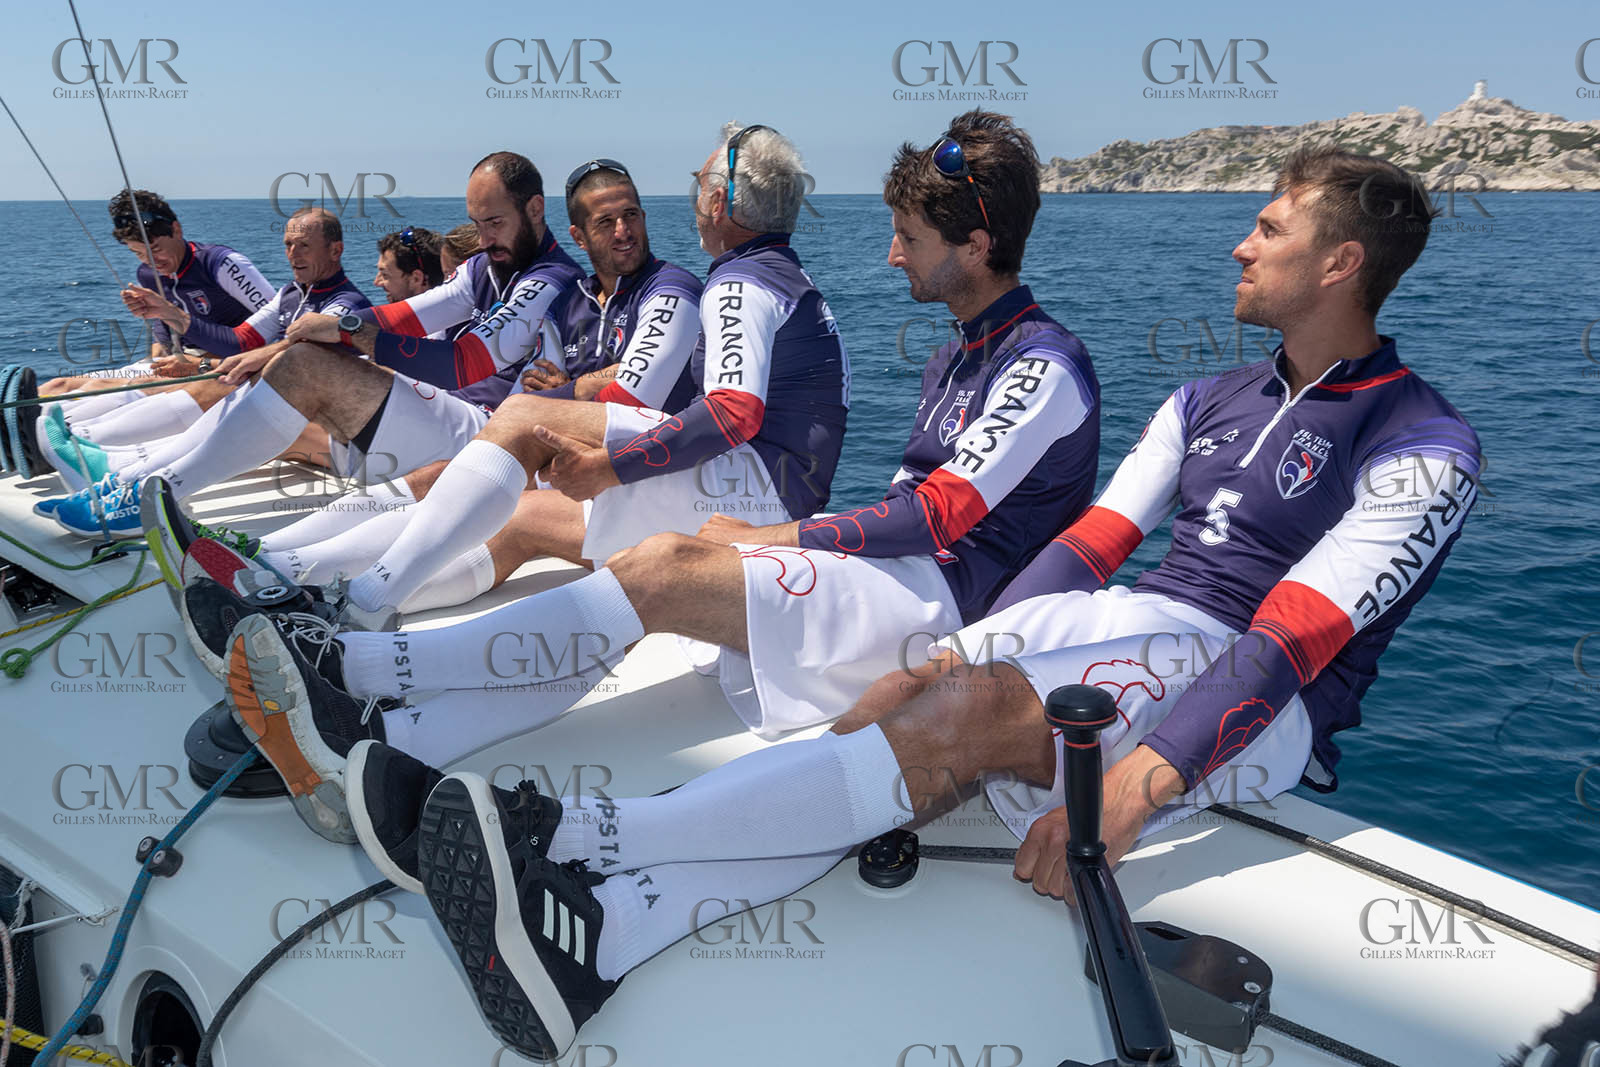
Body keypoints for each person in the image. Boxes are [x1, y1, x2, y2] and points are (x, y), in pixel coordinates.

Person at [231, 145, 1479, 1060]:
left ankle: (592, 841)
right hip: (1132, 617)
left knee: (960, 717)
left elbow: (1286, 643)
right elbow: (1090, 550)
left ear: (1341, 262)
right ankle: (603, 936)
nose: (1239, 243)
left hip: (1255, 689)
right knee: (917, 709)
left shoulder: (1425, 443)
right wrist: (957, 652)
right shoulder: (1203, 399)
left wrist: (1143, 781)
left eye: (1266, 227)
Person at [38, 153, 584, 550]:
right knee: (292, 360)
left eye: (496, 223)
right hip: (453, 418)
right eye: (478, 224)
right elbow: (418, 312)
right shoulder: (486, 267)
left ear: (535, 209)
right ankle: (137, 482)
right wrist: (341, 324)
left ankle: (151, 495)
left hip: (489, 434)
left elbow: (467, 359)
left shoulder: (551, 277)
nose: (485, 238)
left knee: (299, 364)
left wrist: (347, 333)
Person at [39, 190, 275, 441]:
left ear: (176, 230)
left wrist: (186, 347)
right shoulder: (148, 276)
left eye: (155, 250)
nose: (152, 262)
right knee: (58, 386)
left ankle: (45, 437)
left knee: (103, 388)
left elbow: (281, 327)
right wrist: (161, 345)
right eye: (139, 254)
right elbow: (164, 330)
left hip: (225, 367)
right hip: (181, 361)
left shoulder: (221, 264)